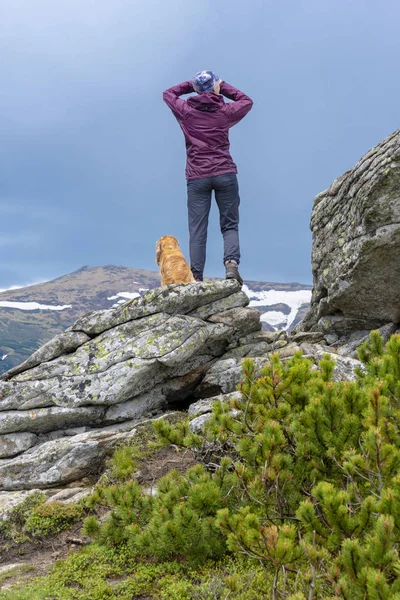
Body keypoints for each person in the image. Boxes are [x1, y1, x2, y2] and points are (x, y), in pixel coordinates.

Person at [163, 71, 253, 284]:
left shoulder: (186, 111)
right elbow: (246, 101)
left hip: (197, 177)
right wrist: (223, 86)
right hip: (225, 173)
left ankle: (196, 277)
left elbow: (168, 94)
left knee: (197, 229)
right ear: (215, 87)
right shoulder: (225, 111)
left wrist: (191, 86)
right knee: (229, 224)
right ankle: (231, 266)